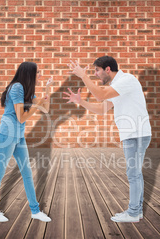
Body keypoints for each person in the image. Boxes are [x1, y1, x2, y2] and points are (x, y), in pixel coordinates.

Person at [64, 56, 152, 223]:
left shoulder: (127, 80)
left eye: (97, 70)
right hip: (134, 134)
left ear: (108, 69)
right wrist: (80, 101)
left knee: (133, 174)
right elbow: (101, 108)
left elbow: (99, 95)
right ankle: (137, 211)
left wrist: (83, 76)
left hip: (136, 134)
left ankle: (133, 213)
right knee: (135, 174)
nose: (96, 74)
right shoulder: (117, 87)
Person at [0, 61, 52, 223]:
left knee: (27, 173)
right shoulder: (17, 87)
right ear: (30, 73)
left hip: (18, 136)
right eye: (38, 73)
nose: (40, 75)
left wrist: (46, 89)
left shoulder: (29, 91)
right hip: (6, 136)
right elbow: (21, 117)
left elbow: (45, 109)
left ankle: (35, 211)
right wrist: (36, 104)